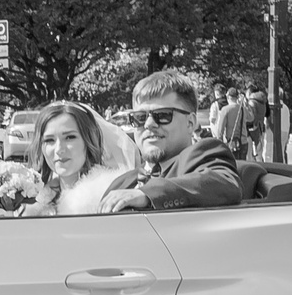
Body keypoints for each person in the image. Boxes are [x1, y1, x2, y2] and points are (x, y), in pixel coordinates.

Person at [104, 72, 244, 212]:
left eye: (163, 115)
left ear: (190, 123)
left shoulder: (204, 157)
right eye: (140, 117)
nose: (149, 124)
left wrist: (148, 194)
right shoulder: (120, 184)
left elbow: (225, 183)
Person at [18, 101, 140, 216]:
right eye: (49, 140)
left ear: (88, 141)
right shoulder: (34, 201)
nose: (59, 149)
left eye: (70, 137)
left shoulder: (110, 195)